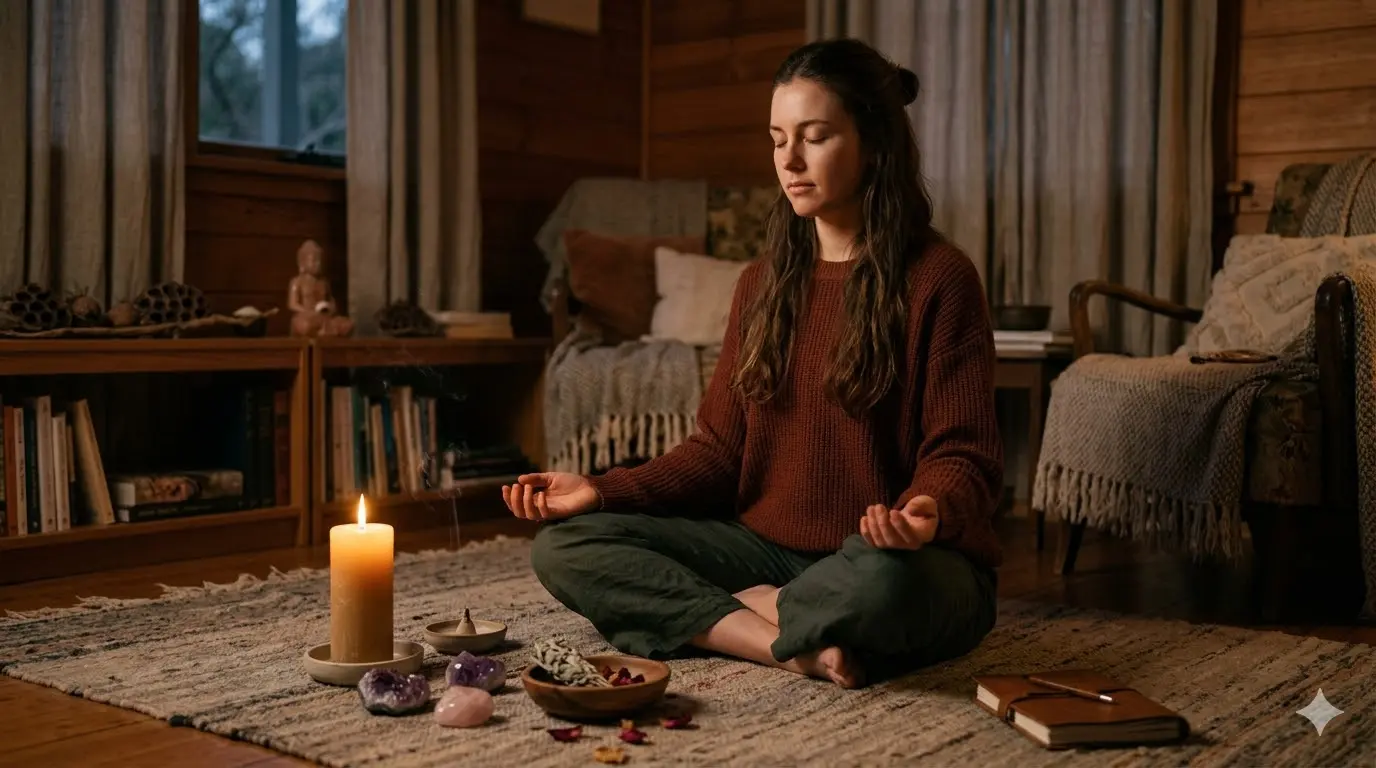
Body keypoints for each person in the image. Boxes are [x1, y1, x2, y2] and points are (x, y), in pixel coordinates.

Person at [501, 38, 1002, 689]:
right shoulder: (761, 283)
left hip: (888, 560)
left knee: (884, 590)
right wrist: (600, 490)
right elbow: (717, 451)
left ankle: (742, 612)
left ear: (874, 143)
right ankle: (786, 645)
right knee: (566, 546)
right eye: (777, 139)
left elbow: (962, 453)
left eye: (814, 137)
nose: (789, 160)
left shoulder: (940, 278)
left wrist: (923, 512)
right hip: (765, 548)